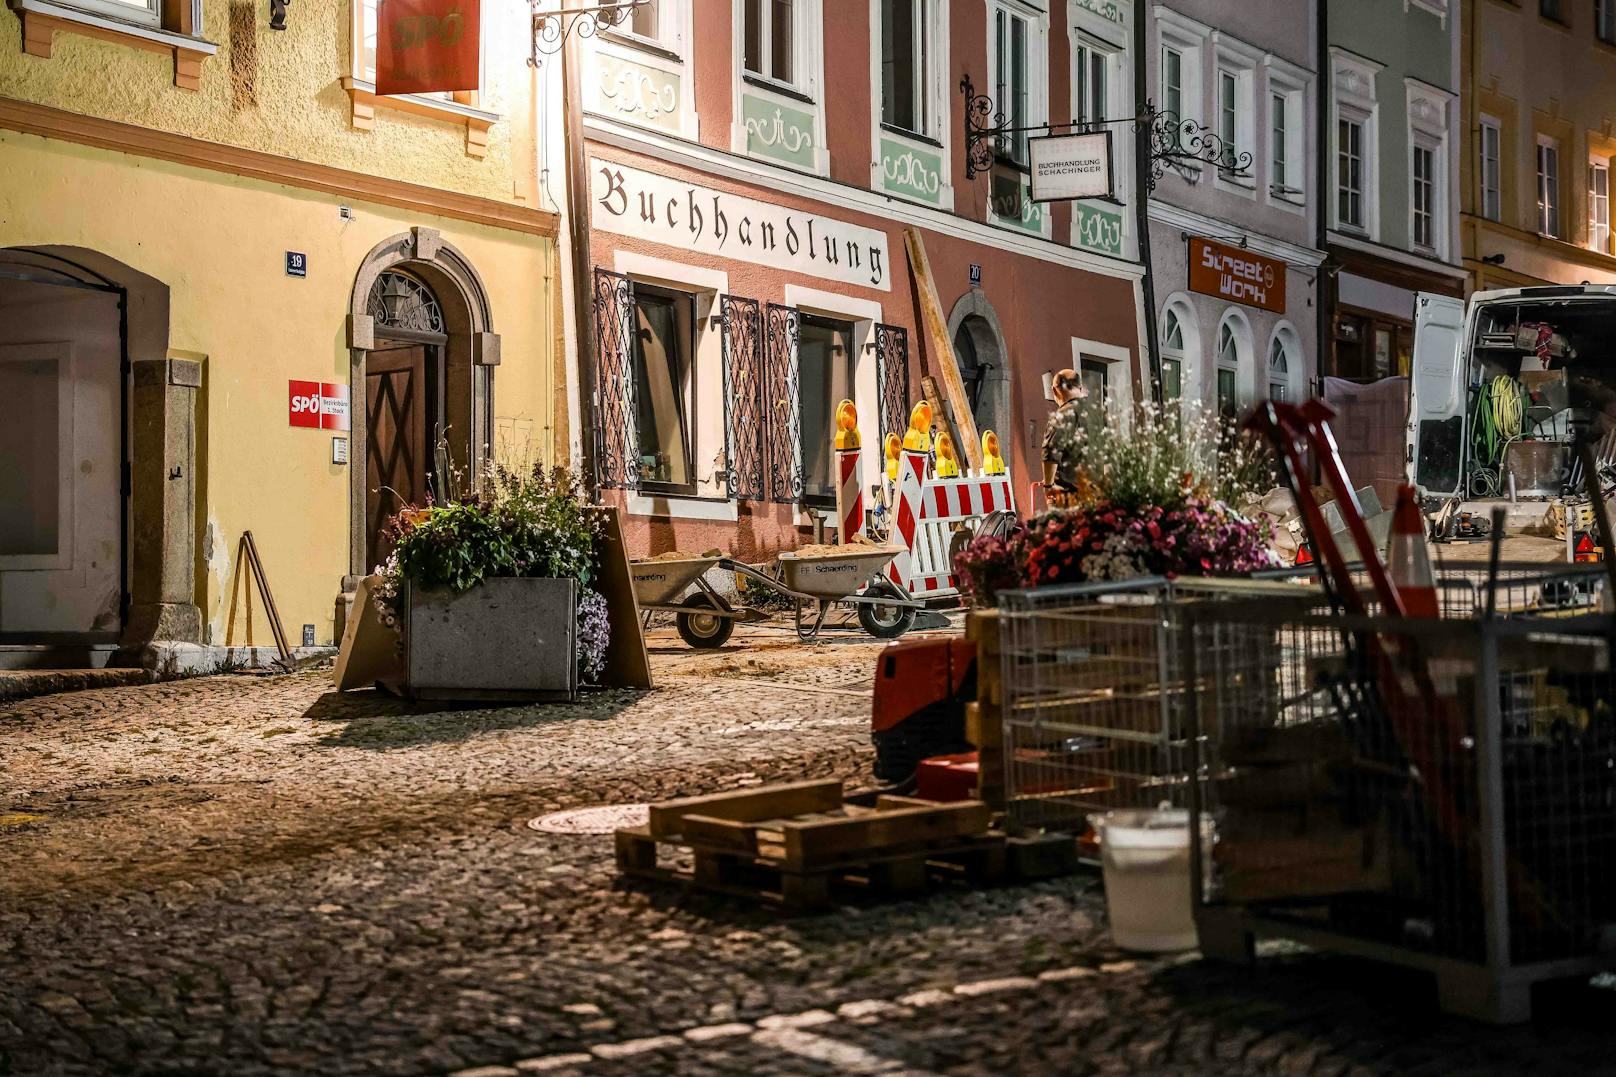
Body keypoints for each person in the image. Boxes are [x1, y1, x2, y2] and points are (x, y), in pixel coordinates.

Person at [1041, 368, 1089, 503]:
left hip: (1068, 495)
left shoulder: (1062, 416)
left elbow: (1051, 453)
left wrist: (1048, 485)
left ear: (1055, 391)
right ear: (1080, 388)